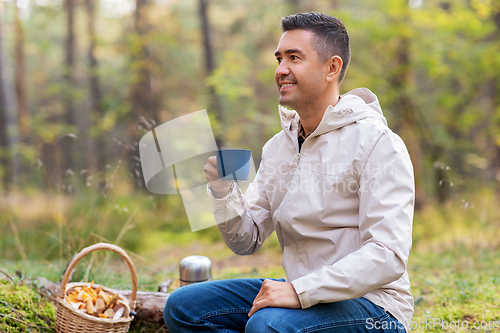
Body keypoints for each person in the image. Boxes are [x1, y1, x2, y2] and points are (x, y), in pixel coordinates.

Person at [164, 12, 414, 333]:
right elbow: (247, 240)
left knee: (268, 326)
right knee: (184, 306)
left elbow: (387, 255)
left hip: (374, 307)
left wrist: (299, 291)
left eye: (294, 58)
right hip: (301, 294)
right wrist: (224, 193)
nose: (281, 69)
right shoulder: (278, 147)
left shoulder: (377, 142)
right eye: (280, 59)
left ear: (332, 68)